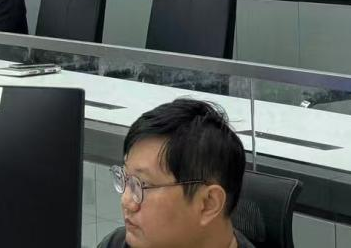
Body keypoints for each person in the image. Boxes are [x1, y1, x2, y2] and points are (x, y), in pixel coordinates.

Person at [98, 99, 250, 248]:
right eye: (126, 179)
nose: (126, 201)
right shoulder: (116, 243)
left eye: (142, 184)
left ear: (208, 204)